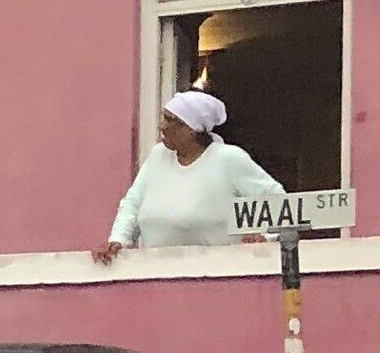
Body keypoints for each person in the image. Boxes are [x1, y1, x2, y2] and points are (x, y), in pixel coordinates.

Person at [98, 88, 286, 261]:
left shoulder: (228, 159)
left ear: (192, 129)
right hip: (155, 276)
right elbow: (133, 203)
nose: (162, 127)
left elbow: (278, 201)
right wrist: (118, 240)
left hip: (216, 276)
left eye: (170, 120)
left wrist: (265, 237)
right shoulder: (158, 156)